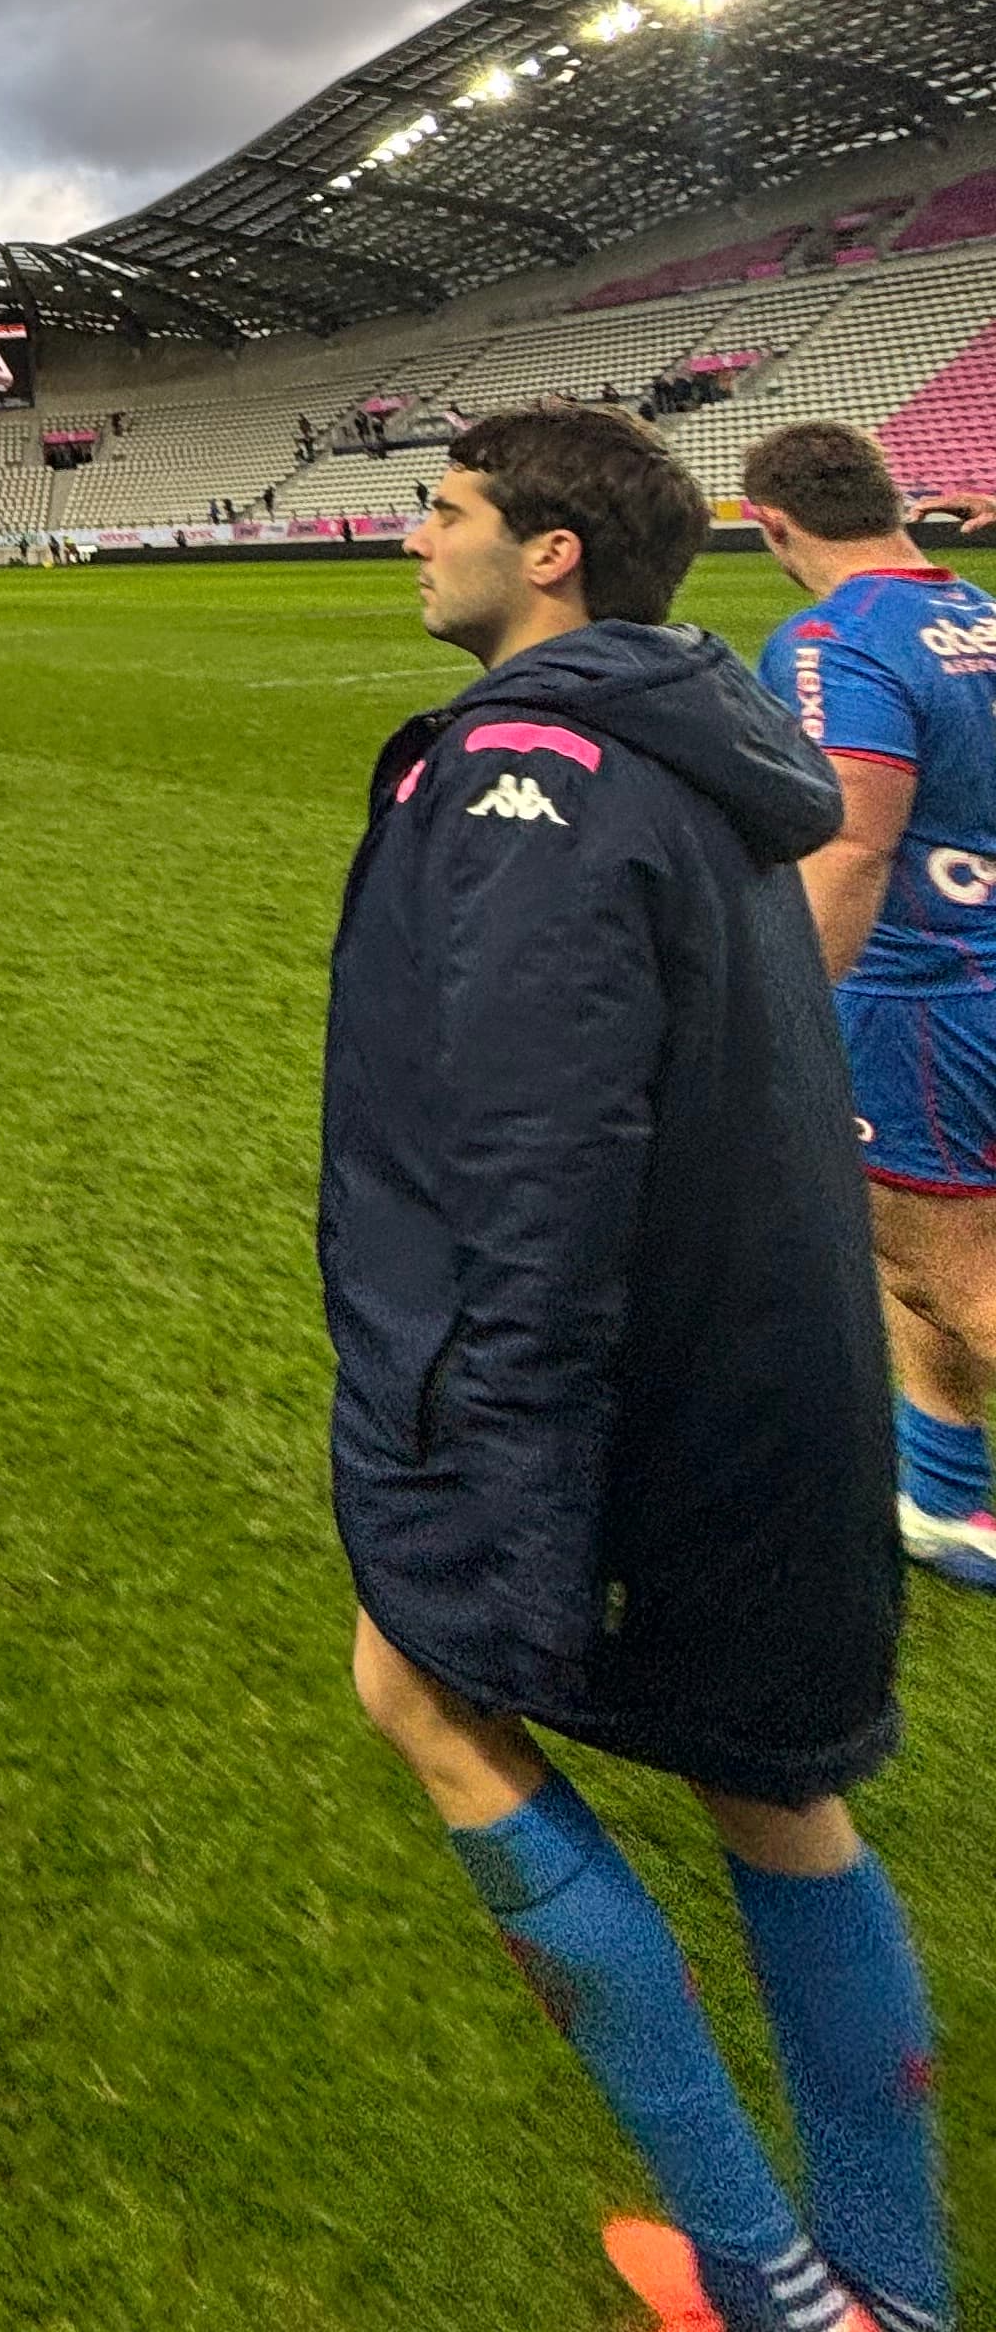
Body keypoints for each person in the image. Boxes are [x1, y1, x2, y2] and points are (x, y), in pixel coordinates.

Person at [322, 409, 942, 2332]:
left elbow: (538, 1153)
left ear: (550, 551)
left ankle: (768, 2285)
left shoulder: (523, 771)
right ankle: (891, 2289)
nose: (411, 540)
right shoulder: (701, 732)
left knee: (418, 1694)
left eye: (440, 510)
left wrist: (497, 1449)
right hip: (781, 1362)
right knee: (775, 1794)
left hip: (635, 1376)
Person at [744, 417, 996, 1592]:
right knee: (939, 1248)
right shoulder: (980, 612)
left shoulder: (831, 638)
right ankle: (942, 1495)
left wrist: (777, 1000)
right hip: (978, 972)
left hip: (918, 1001)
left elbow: (851, 841)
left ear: (770, 525)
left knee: (948, 1267)